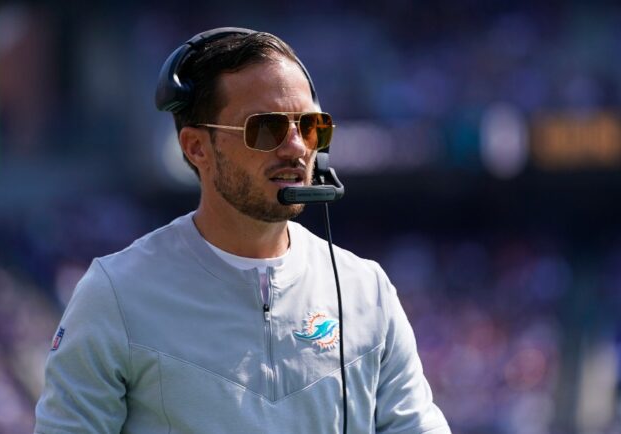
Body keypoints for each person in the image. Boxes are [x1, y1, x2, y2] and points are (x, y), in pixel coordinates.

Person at [34, 28, 450, 434]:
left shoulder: (367, 289)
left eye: (310, 126)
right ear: (197, 147)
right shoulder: (114, 293)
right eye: (266, 128)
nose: (297, 147)